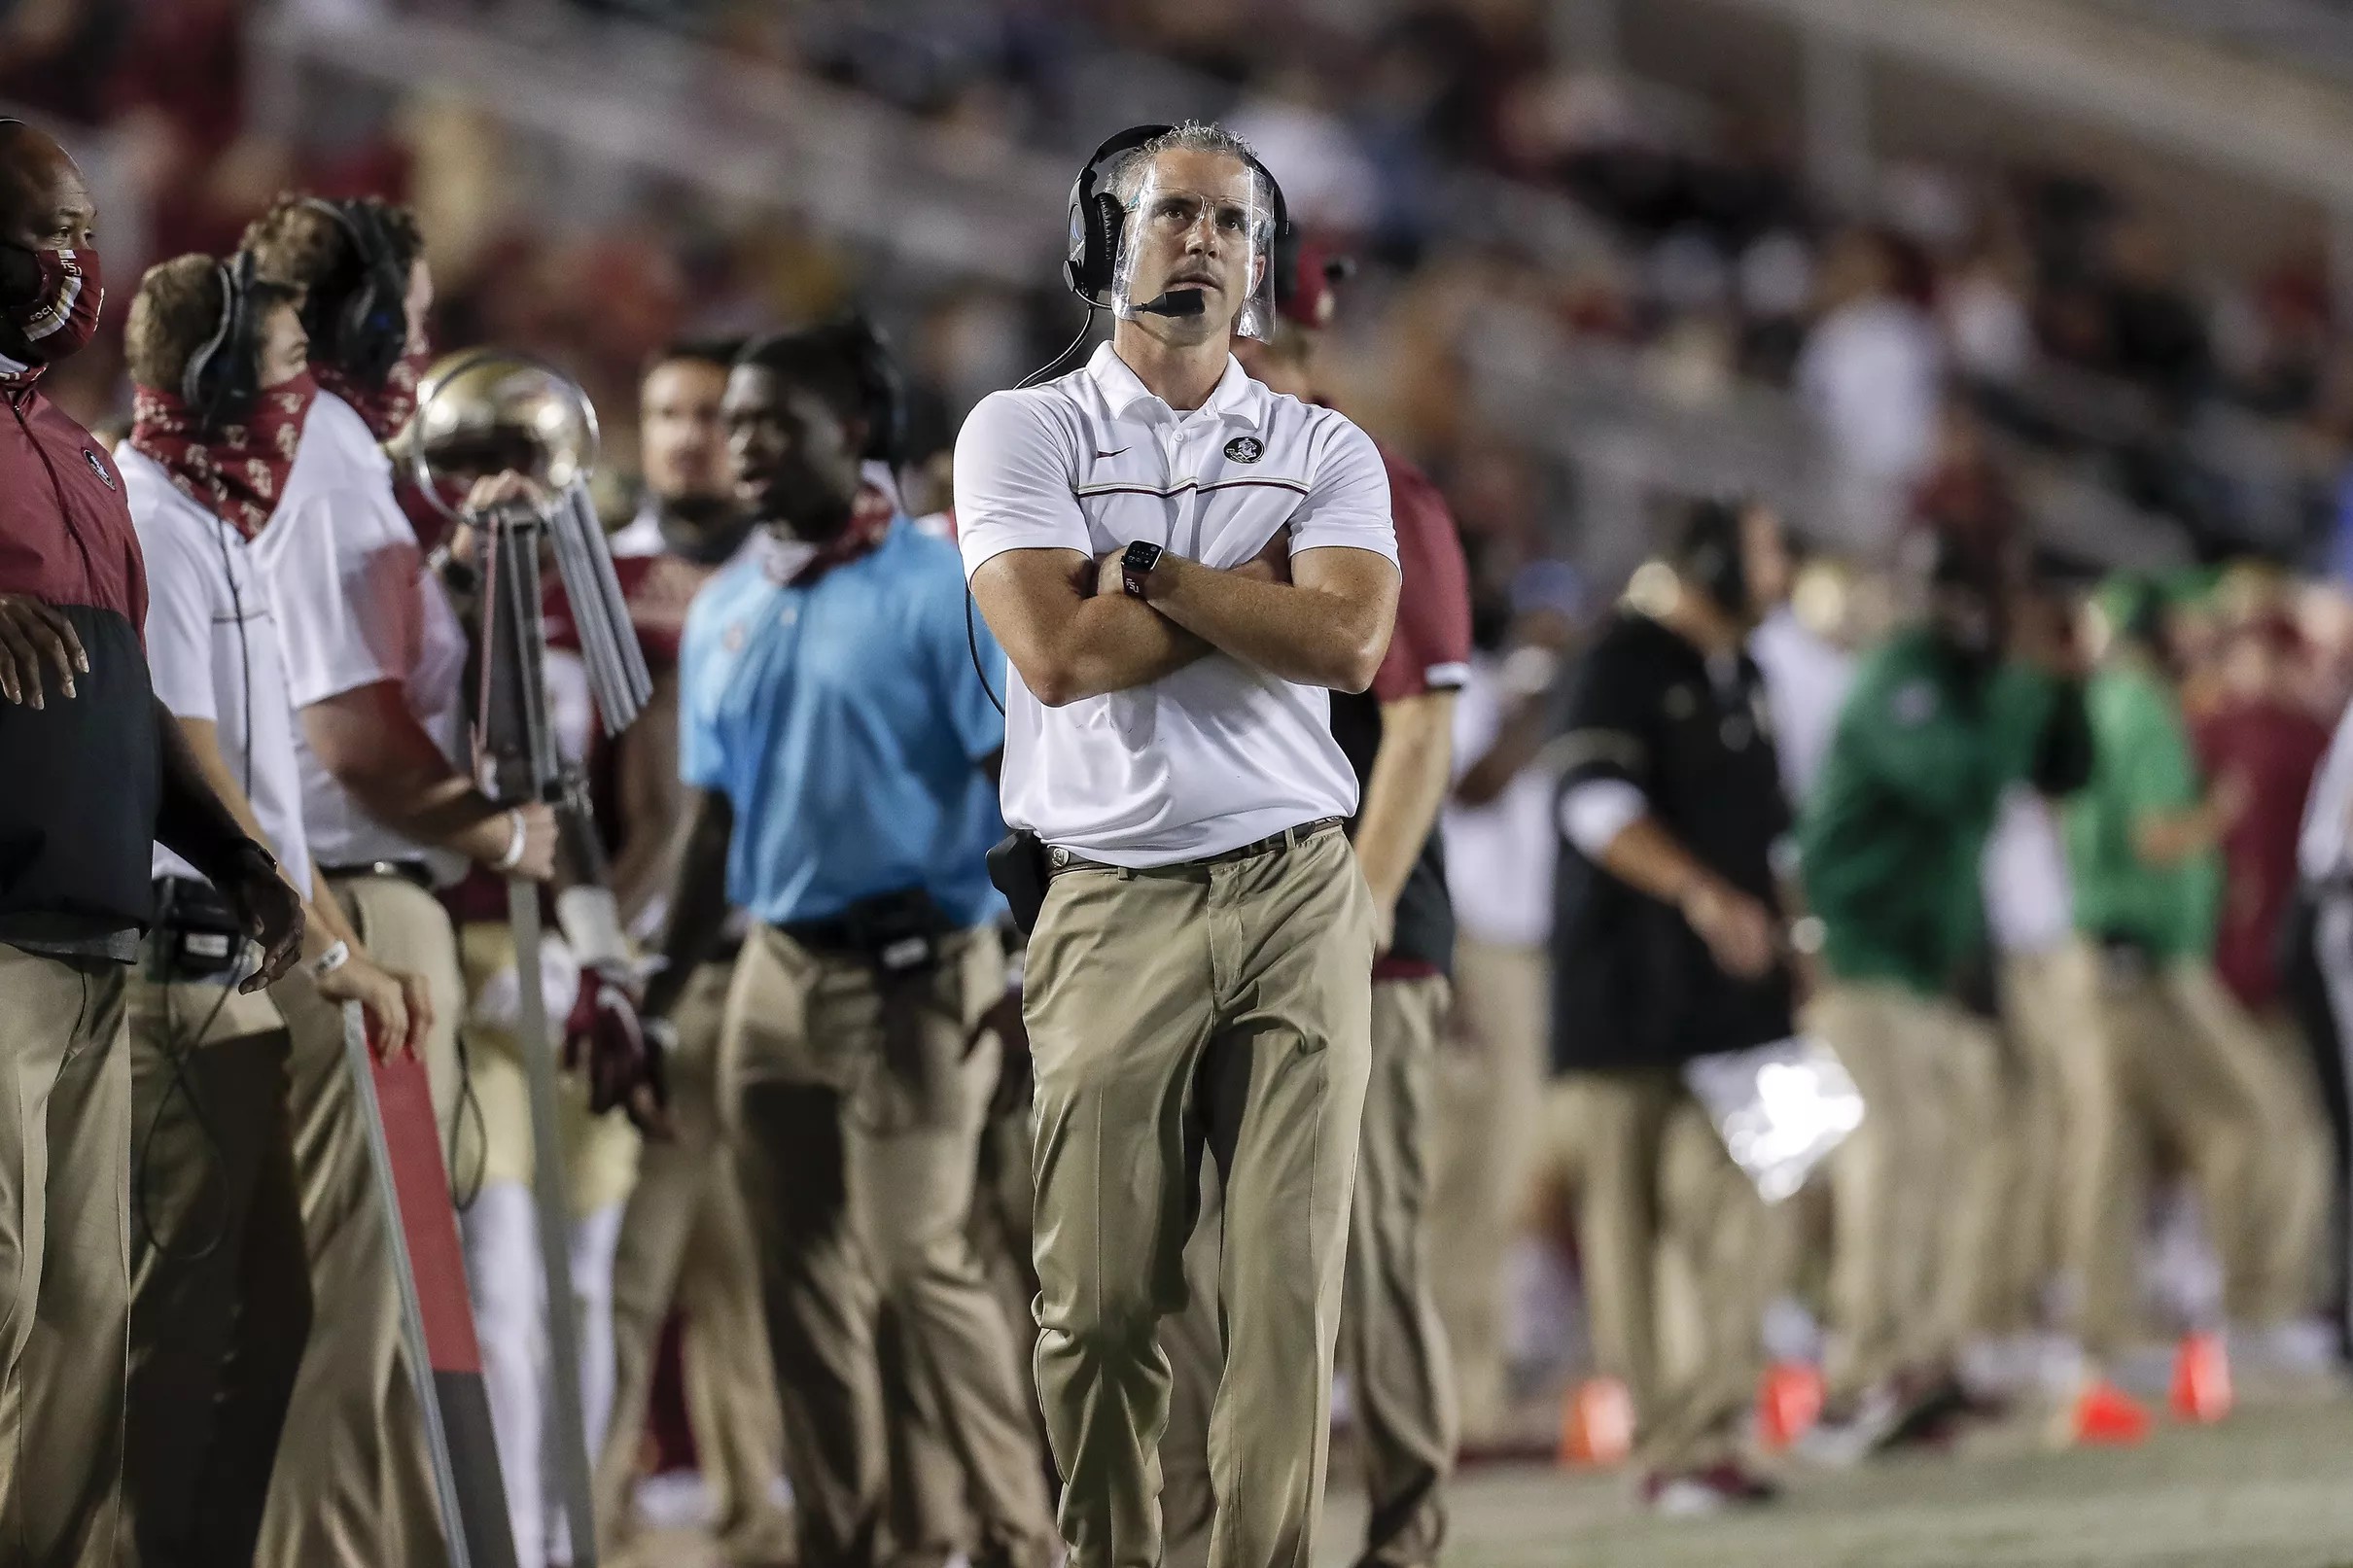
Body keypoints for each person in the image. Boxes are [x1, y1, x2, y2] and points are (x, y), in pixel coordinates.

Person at [959, 121, 1399, 1567]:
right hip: (1105, 900)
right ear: (1104, 243)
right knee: (1097, 1308)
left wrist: (1143, 569)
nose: (1202, 239)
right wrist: (1233, 588)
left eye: (1230, 223)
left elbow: (1343, 639)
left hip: (1294, 888)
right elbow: (1059, 656)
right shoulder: (1019, 431)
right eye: (1174, 214)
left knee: (1285, 1297)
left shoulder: (1328, 442)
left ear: (1260, 267)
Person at [644, 322, 1054, 1568]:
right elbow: (711, 824)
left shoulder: (940, 586)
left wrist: (1036, 965)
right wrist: (657, 991)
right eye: (735, 421)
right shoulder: (726, 601)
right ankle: (842, 1540)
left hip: (916, 968)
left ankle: (1021, 1535)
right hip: (771, 966)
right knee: (797, 1282)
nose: (743, 444)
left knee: (921, 1263)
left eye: (775, 421)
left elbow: (1018, 791)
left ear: (855, 431)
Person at [0, 120, 304, 1568]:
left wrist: (238, 852)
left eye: (80, 233)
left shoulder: (80, 456)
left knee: (80, 1322)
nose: (75, 265)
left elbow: (134, 700)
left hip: (97, 948)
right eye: (41, 235)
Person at [240, 191, 559, 1568]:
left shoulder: (329, 466)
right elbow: (352, 737)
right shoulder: (319, 463)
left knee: (389, 1312)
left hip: (362, 897)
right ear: (359, 318)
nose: (424, 346)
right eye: (412, 317)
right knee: (361, 1311)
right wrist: (498, 837)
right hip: (358, 904)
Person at [117, 251, 434, 1568]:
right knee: (166, 1336)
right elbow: (192, 755)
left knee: (261, 1318)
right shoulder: (145, 515)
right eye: (292, 367)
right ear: (212, 382)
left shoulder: (216, 523)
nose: (308, 395)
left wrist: (335, 953)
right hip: (168, 971)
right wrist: (325, 942)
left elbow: (263, 793)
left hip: (231, 972)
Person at [1159, 238, 1469, 1568]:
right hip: (1200, 921)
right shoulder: (1182, 490)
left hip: (1355, 931)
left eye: (1272, 338)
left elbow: (1420, 728)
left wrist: (1364, 903)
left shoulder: (1376, 490)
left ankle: (1407, 1534)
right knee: (1186, 1259)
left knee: (1369, 1249)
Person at [1795, 529, 2090, 1460]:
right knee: (1896, 1151)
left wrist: (2065, 680)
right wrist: (2022, 681)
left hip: (1924, 967)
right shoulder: (1901, 677)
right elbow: (1960, 781)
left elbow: (2067, 770)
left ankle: (1918, 1359)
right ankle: (1856, 1378)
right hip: (1852, 953)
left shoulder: (1977, 682)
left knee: (1954, 1155)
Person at [1538, 500, 1797, 1512]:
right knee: (1627, 1235)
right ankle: (1674, 1449)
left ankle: (1714, 1415)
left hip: (1740, 1005)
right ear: (1708, 561)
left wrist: (1793, 939)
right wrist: (1698, 892)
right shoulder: (1621, 662)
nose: (1779, 572)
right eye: (1767, 550)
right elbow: (1592, 805)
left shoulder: (1751, 677)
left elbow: (1773, 836)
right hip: (1623, 997)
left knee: (1777, 1191)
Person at [593, 338, 794, 1567]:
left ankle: (759, 1520)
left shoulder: (800, 573)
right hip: (643, 961)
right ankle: (593, 1507)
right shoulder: (599, 577)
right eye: (665, 409)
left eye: (712, 412)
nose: (685, 435)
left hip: (766, 964)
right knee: (622, 1268)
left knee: (753, 1280)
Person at [2057, 578, 2325, 1411]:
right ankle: (2252, 1304)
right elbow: (2152, 833)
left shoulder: (2106, 704)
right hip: (2147, 962)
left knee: (2113, 1149)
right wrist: (2218, 817)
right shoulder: (2138, 708)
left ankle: (2106, 1330)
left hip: (2110, 959)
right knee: (2259, 1121)